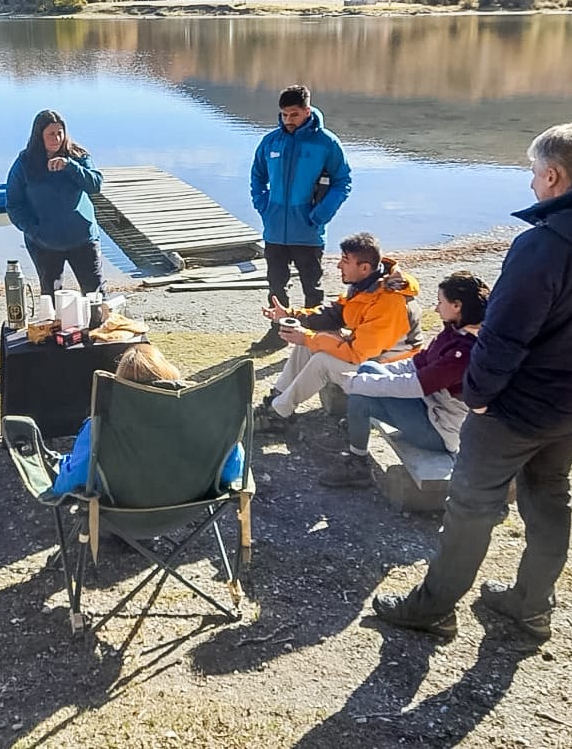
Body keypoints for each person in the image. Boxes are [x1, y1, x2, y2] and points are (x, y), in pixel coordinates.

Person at [373, 122, 572, 641]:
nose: (530, 184)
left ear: (553, 175)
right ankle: (531, 603)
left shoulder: (543, 248)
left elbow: (501, 339)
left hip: (515, 410)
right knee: (550, 495)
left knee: (471, 505)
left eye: (533, 173)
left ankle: (433, 607)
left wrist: (478, 400)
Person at [318, 270, 491, 488]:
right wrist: (371, 375)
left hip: (438, 431)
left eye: (440, 302)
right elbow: (416, 363)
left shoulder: (465, 351)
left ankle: (358, 463)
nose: (436, 308)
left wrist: (359, 382)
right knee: (368, 372)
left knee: (363, 388)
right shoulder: (454, 331)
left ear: (457, 306)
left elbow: (416, 385)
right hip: (425, 409)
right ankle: (356, 445)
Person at [254, 232, 421, 434]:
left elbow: (357, 354)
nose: (339, 266)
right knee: (307, 341)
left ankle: (278, 414)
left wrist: (308, 337)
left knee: (321, 360)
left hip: (388, 372)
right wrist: (290, 315)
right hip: (370, 355)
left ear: (365, 268)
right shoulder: (367, 286)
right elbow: (332, 315)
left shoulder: (389, 302)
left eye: (345, 261)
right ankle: (276, 398)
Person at [50, 344, 245, 498]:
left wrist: (63, 467)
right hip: (188, 506)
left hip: (120, 512)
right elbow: (233, 470)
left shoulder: (100, 426)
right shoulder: (203, 421)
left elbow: (71, 482)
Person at [249, 84, 352, 352]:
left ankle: (315, 336)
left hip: (308, 230)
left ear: (307, 110)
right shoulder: (271, 141)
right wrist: (263, 205)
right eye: (283, 115)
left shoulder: (326, 143)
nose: (288, 120)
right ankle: (277, 333)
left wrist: (320, 214)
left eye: (293, 114)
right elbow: (257, 176)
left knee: (312, 287)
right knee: (275, 285)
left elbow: (343, 181)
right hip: (275, 231)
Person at [6, 109, 105, 297]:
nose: (57, 138)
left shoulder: (77, 155)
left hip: (83, 239)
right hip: (44, 244)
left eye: (60, 133)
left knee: (95, 296)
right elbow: (14, 205)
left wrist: (70, 166)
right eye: (51, 134)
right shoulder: (25, 163)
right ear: (39, 136)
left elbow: (95, 185)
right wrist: (34, 230)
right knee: (51, 300)